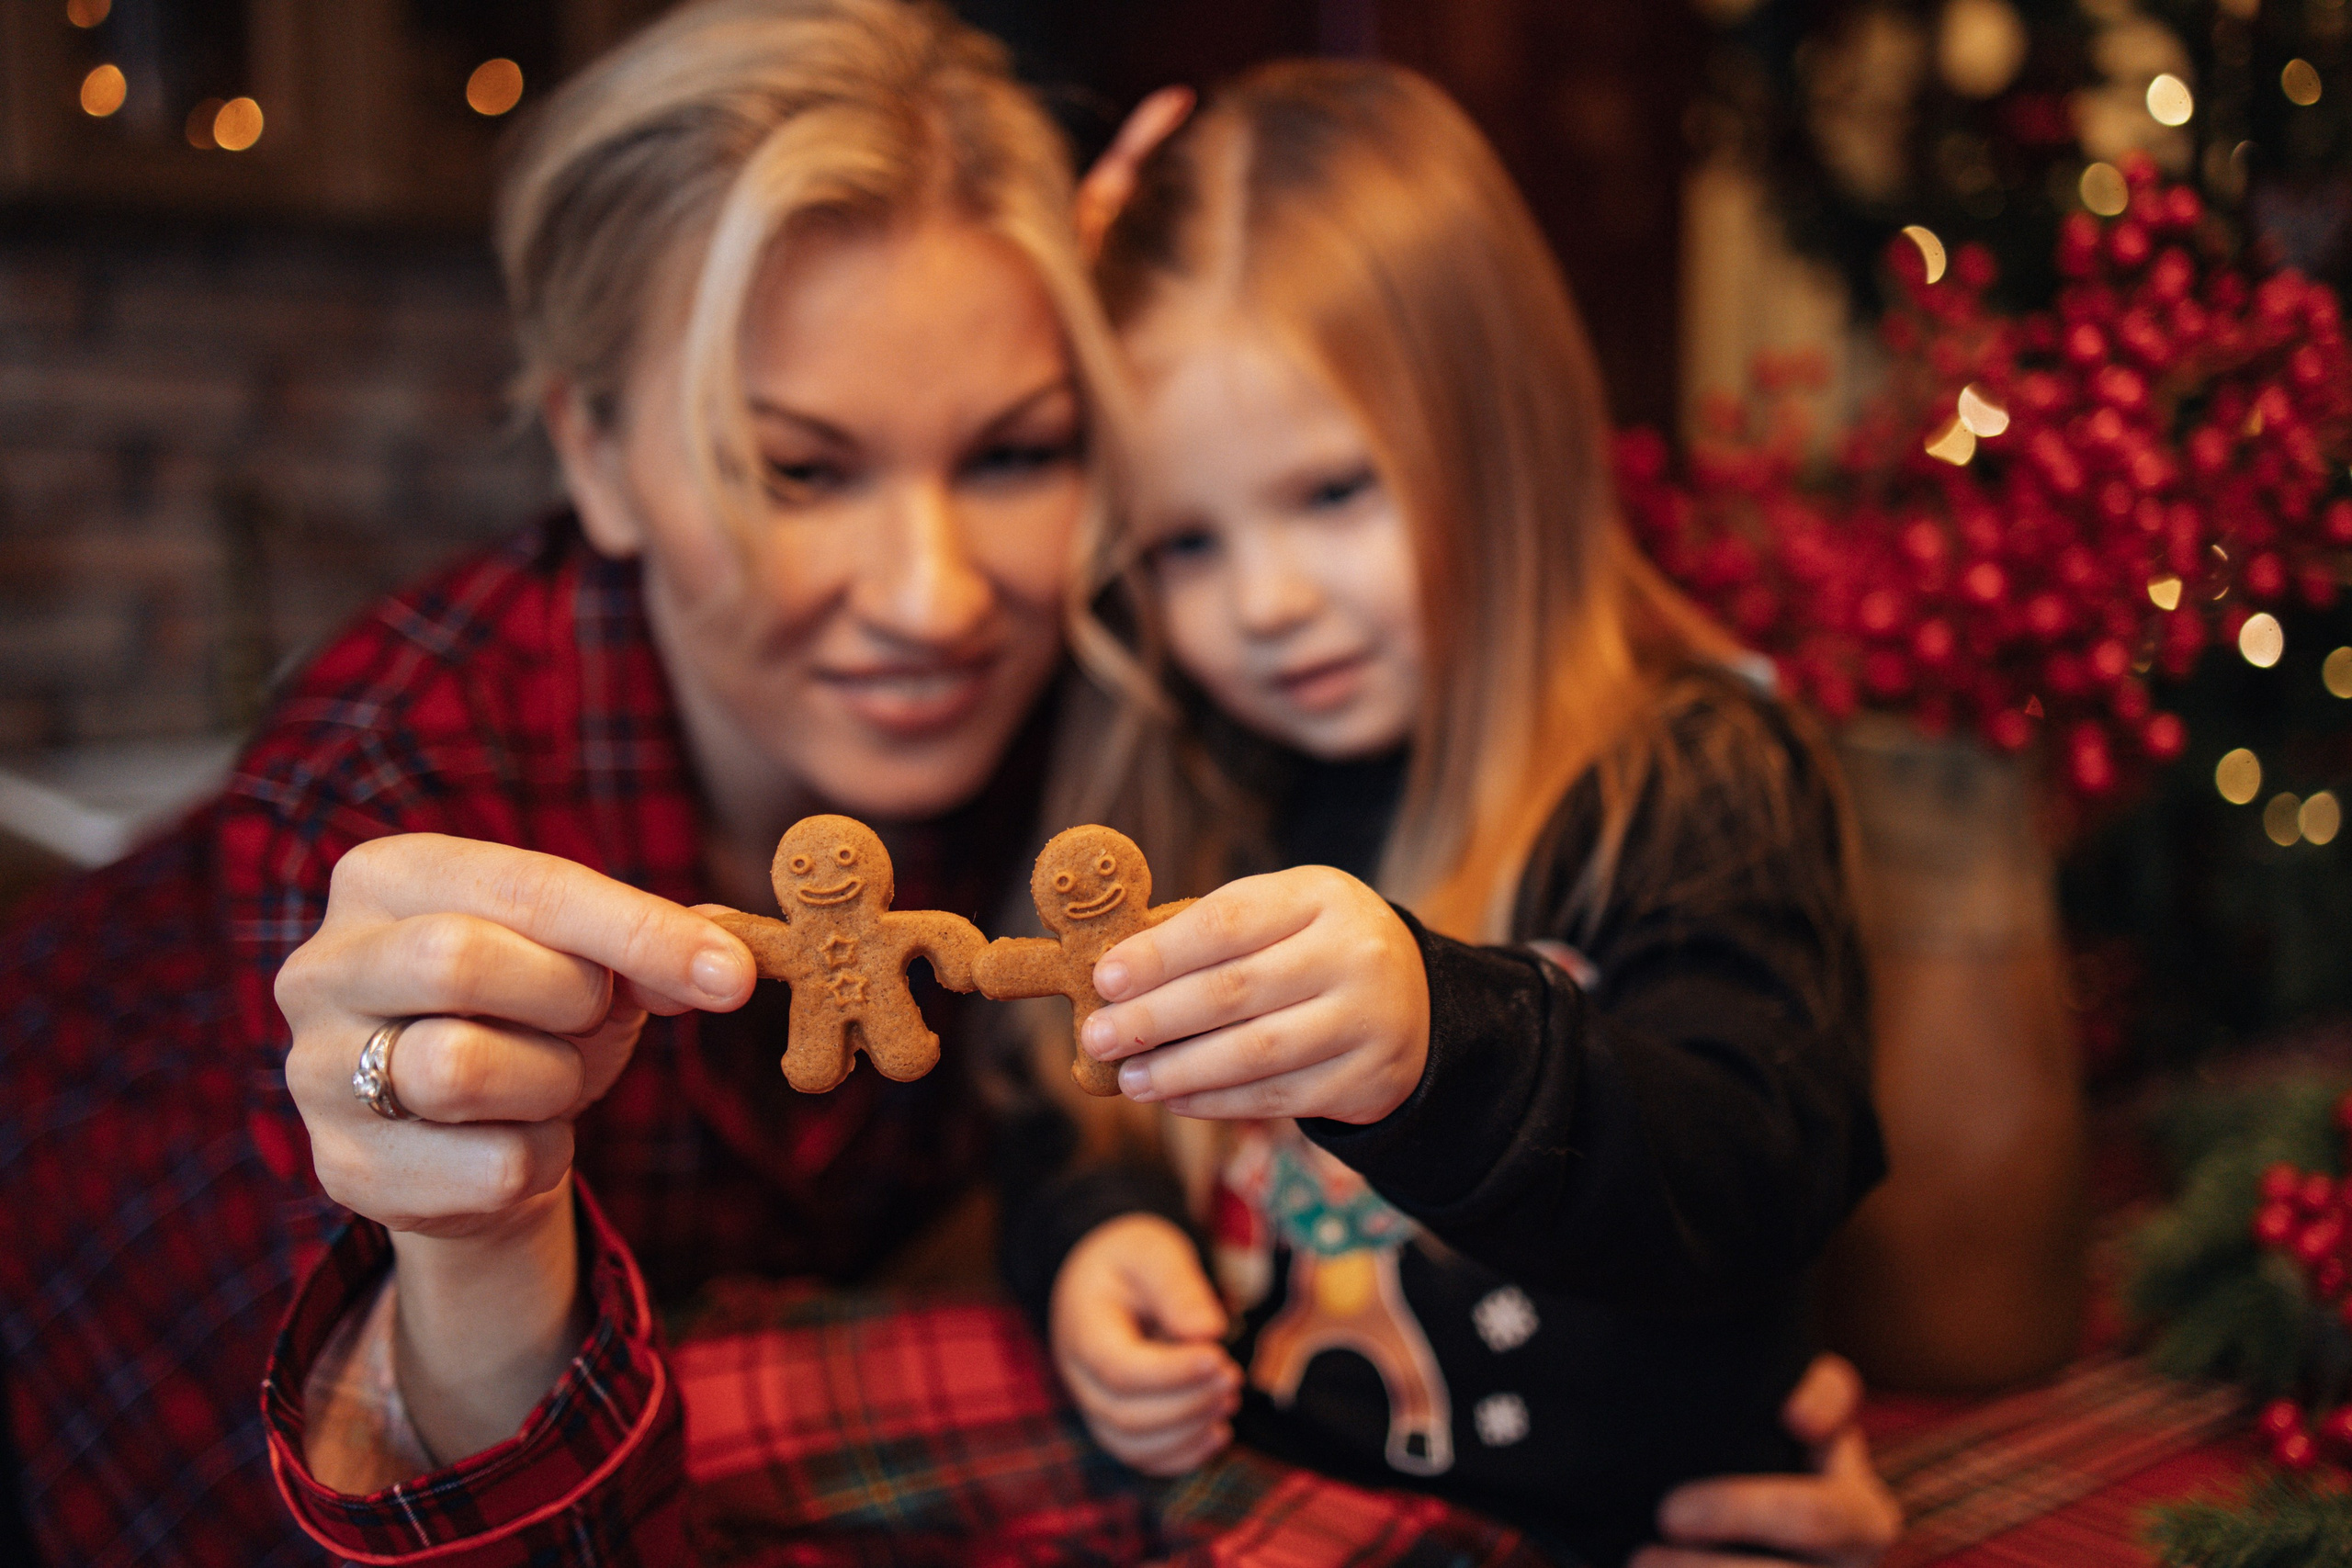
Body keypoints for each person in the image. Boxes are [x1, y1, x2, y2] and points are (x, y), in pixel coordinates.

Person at [0, 4, 1899, 1562]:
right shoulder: (386, 814)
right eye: (797, 466)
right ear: (593, 451)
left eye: (1018, 451)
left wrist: (1635, 1410)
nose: (933, 598)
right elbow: (423, 1503)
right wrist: (463, 1243)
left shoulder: (1126, 717)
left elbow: (1709, 1125)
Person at [1004, 60, 1904, 1567]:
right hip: (1275, 1518)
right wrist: (1101, 1238)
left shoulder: (1694, 773)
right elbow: (1055, 1104)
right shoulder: (1203, 781)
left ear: (1503, 426)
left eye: (1334, 493)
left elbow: (1765, 1167)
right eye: (1181, 545)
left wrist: (1446, 1047)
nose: (1267, 602)